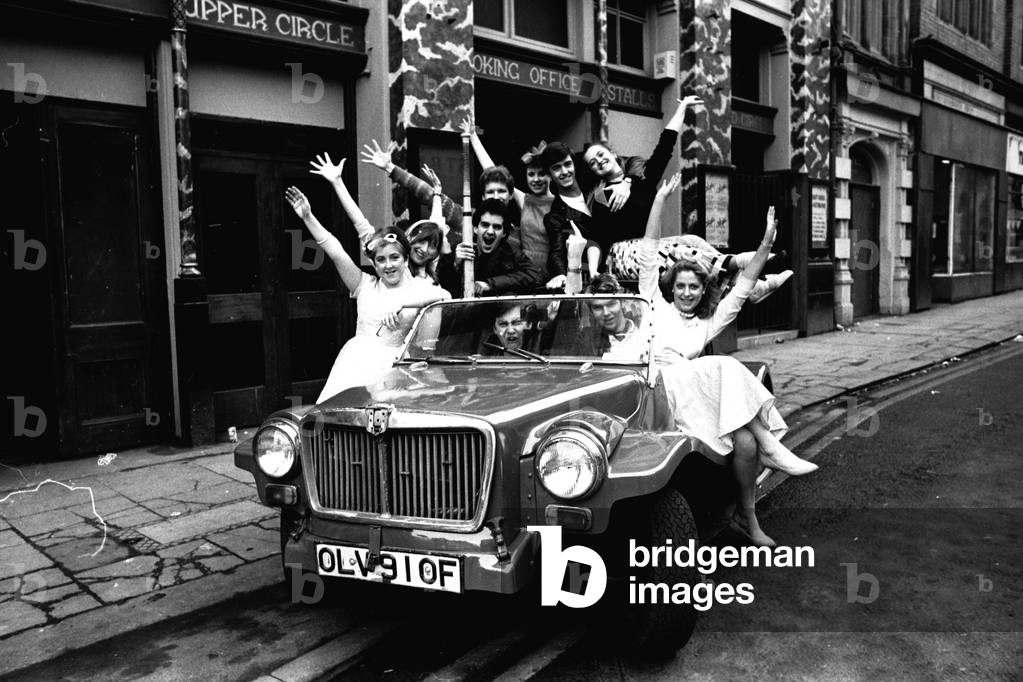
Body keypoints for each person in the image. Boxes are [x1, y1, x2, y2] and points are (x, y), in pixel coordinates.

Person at [638, 172, 816, 546]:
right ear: (671, 287)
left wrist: (766, 242)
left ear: (704, 290)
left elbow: (743, 287)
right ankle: (772, 443)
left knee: (745, 444)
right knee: (723, 365)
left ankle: (746, 517)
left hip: (693, 397)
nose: (686, 292)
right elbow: (649, 252)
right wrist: (659, 201)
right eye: (681, 285)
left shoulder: (707, 321)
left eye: (694, 287)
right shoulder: (654, 303)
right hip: (656, 392)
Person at [284, 181, 450, 403]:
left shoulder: (419, 288)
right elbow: (335, 251)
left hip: (394, 370)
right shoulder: (364, 284)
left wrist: (405, 305)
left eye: (394, 258)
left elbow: (445, 296)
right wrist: (308, 217)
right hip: (355, 365)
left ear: (406, 259)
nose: (388, 265)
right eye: (381, 260)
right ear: (374, 263)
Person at [544, 96, 703, 284]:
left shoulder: (642, 178)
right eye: (592, 163)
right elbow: (596, 236)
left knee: (694, 242)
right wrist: (593, 271)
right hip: (623, 254)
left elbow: (665, 144)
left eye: (601, 155)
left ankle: (733, 267)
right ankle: (733, 267)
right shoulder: (601, 195)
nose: (599, 161)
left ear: (612, 153)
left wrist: (683, 107)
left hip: (649, 247)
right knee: (680, 255)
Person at [310, 153, 450, 282]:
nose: (424, 249)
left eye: (432, 246)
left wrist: (437, 193)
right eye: (421, 241)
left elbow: (436, 226)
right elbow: (362, 225)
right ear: (410, 238)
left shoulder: (430, 270)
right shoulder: (396, 266)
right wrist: (337, 183)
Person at [360, 139, 522, 250]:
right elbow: (430, 195)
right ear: (483, 197)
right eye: (490, 192)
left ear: (510, 195)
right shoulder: (467, 219)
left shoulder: (520, 231)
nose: (496, 196)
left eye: (501, 191)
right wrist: (391, 168)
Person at [460, 119, 556, 281]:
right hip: (525, 274)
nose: (536, 179)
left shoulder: (559, 203)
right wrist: (474, 137)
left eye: (542, 174)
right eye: (531, 174)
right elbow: (494, 173)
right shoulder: (525, 200)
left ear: (551, 175)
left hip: (552, 275)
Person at [438, 198, 542, 297]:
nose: (490, 232)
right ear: (475, 228)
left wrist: (491, 284)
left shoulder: (510, 252)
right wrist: (455, 265)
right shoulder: (459, 249)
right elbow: (438, 283)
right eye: (485, 225)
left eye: (497, 227)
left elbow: (535, 276)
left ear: (504, 233)